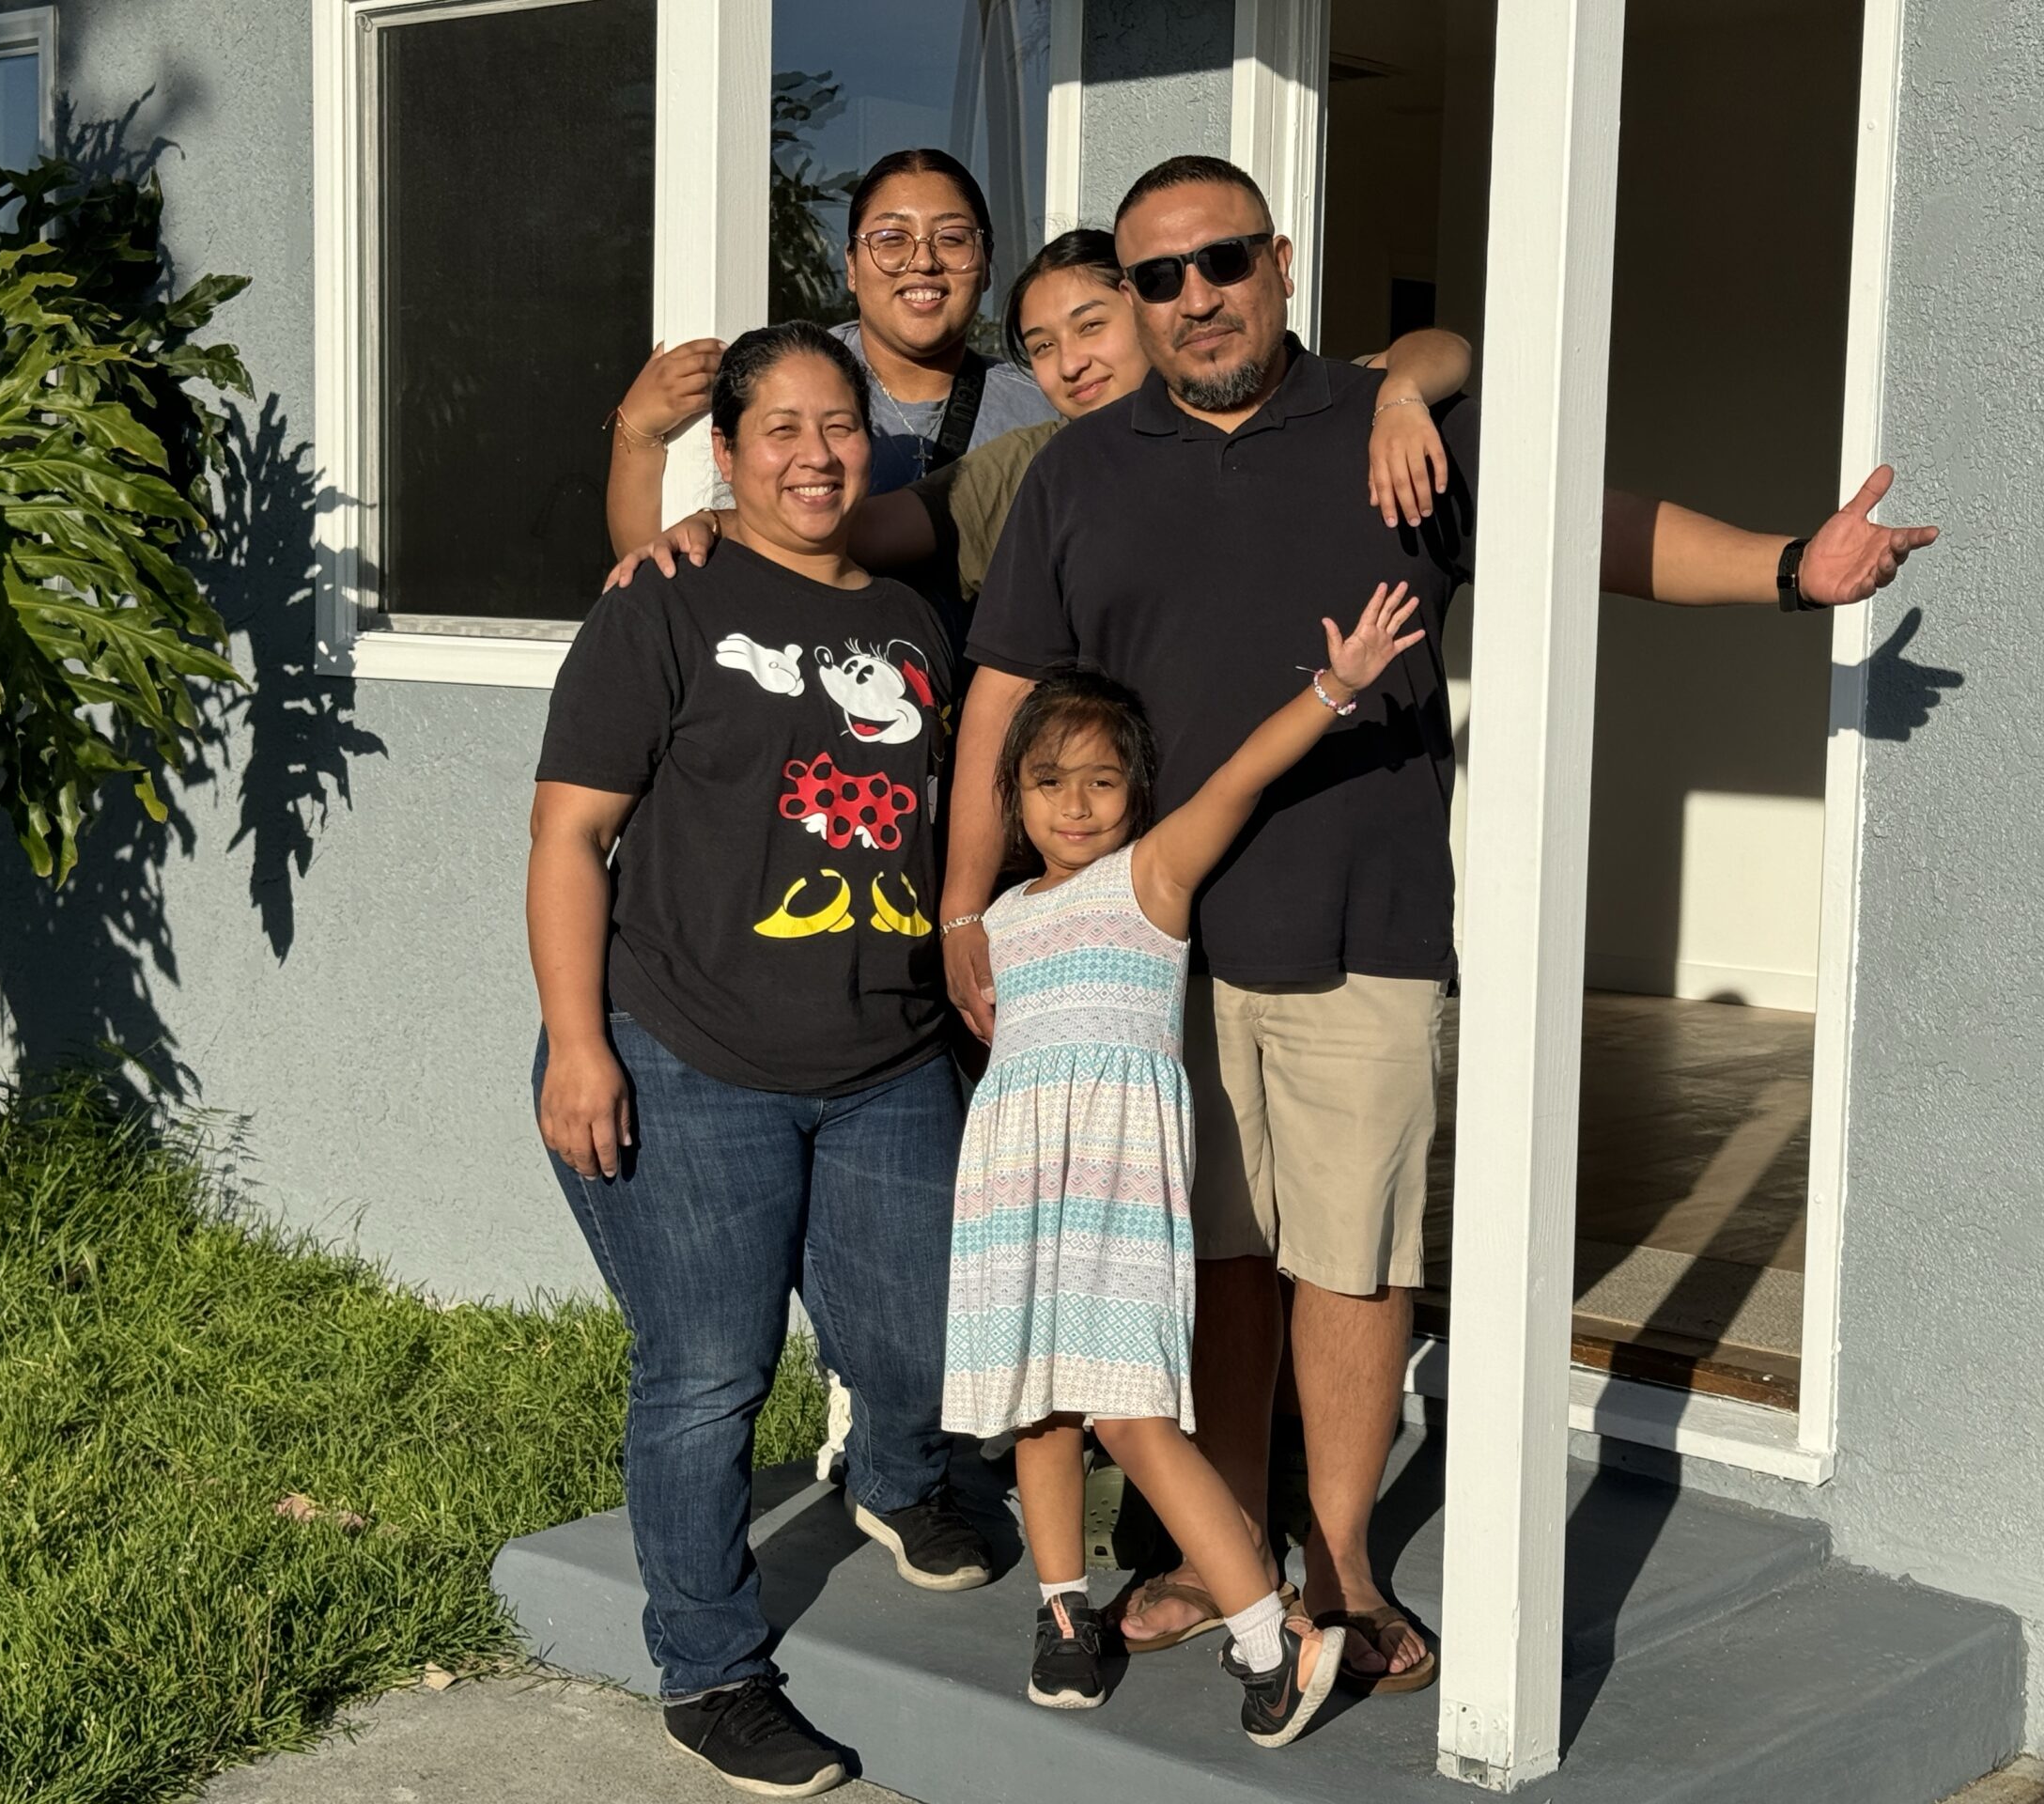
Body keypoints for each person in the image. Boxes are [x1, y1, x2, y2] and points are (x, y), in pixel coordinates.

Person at [942, 154, 1939, 1695]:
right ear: (1133, 301)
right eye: (1158, 277)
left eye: (1221, 261)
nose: (1194, 297)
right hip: (1153, 955)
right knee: (1213, 1261)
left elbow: (1591, 533)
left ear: (1279, 262)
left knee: (1350, 1264)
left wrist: (1789, 571)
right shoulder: (1082, 474)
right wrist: (964, 904)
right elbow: (1004, 694)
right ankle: (1225, 1554)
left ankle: (1342, 1564)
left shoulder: (1390, 423)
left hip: (1363, 925)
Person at [529, 323, 996, 1800]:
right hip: (687, 1049)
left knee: (916, 1338)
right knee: (707, 1373)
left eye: (839, 425)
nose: (814, 453)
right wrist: (581, 1044)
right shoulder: (661, 600)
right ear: (725, 454)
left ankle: (895, 1481)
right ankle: (711, 1670)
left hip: (886, 1055)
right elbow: (567, 837)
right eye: (779, 428)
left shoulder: (914, 619)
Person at [942, 582, 1428, 1740]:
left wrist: (1335, 687)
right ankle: (1064, 1615)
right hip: (1017, 1194)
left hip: (1118, 1193)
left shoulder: (1148, 879)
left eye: (1101, 780)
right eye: (1048, 782)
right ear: (1012, 796)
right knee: (1038, 1410)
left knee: (1129, 1415)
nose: (1075, 804)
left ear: (1136, 794)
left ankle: (1269, 1635)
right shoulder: (996, 923)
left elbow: (1241, 778)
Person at [612, 228, 1473, 618]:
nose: (1071, 363)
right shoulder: (1031, 464)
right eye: (1042, 347)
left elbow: (1442, 350)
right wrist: (709, 519)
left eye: (1091, 326)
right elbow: (837, 525)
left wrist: (1400, 398)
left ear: (1145, 307)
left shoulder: (1285, 405)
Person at [606, 148, 1057, 562]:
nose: (923, 261)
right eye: (892, 239)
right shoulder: (782, 379)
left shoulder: (1041, 407)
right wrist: (638, 430)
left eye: (952, 238)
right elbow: (661, 565)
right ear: (852, 266)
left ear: (987, 264)